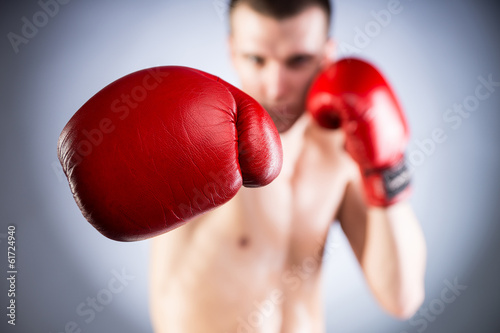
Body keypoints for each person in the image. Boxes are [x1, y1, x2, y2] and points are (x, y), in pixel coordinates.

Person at [147, 0, 427, 332]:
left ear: (327, 55)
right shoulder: (191, 139)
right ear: (232, 51)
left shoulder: (341, 150)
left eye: (298, 61)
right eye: (256, 59)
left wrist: (386, 166)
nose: (276, 87)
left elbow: (402, 297)